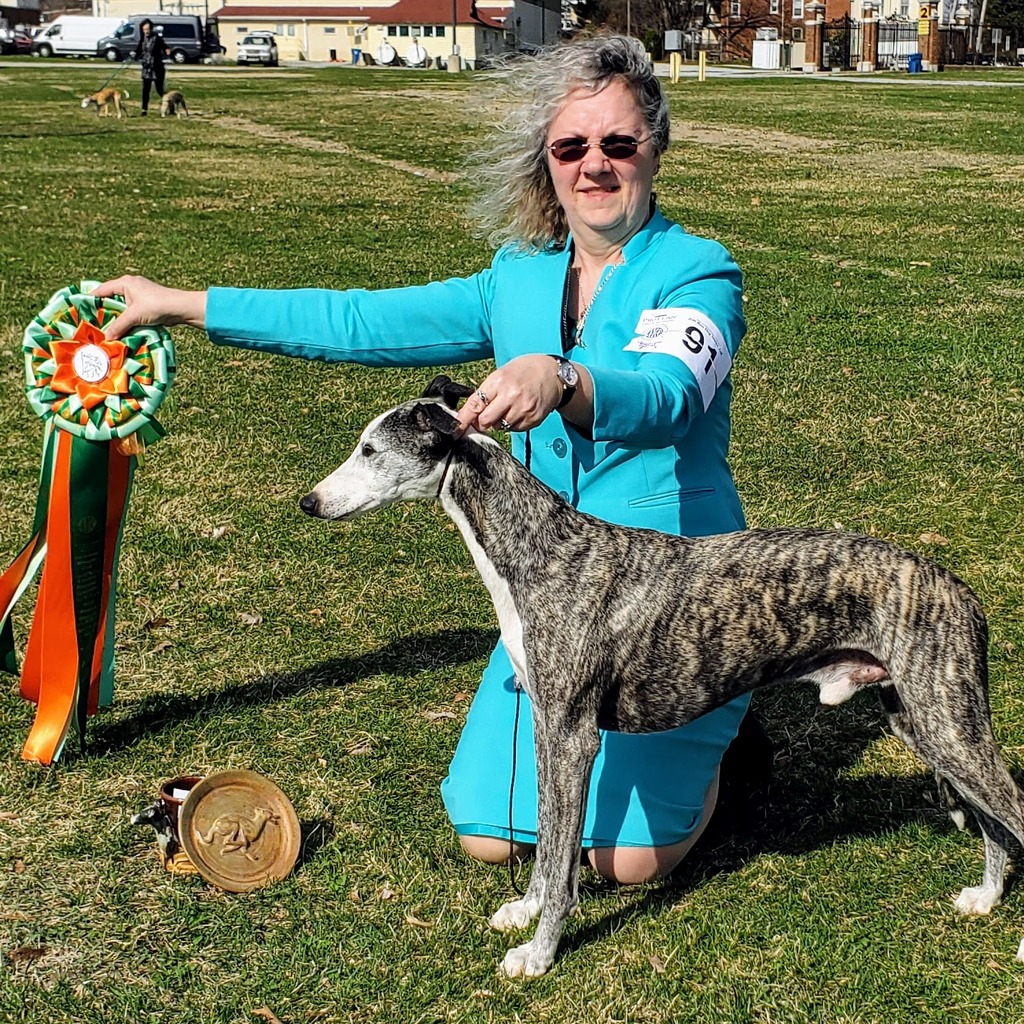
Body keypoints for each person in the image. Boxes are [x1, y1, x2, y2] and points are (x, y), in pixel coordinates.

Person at [94, 34, 767, 884]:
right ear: (548, 159)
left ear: (655, 149)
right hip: (556, 589)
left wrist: (564, 379)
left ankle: (727, 727)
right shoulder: (516, 276)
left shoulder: (698, 272)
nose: (594, 164)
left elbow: (668, 395)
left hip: (672, 592)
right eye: (571, 146)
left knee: (627, 861)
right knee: (489, 835)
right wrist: (185, 305)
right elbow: (358, 322)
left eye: (618, 143)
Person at [134, 19, 167, 116]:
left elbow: (164, 47)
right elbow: (139, 50)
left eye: (148, 29)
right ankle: (144, 110)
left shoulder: (157, 38)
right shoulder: (143, 38)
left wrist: (167, 51)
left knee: (159, 89)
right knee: (145, 89)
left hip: (157, 68)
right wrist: (135, 55)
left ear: (151, 29)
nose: (146, 31)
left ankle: (170, 105)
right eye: (144, 29)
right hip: (146, 68)